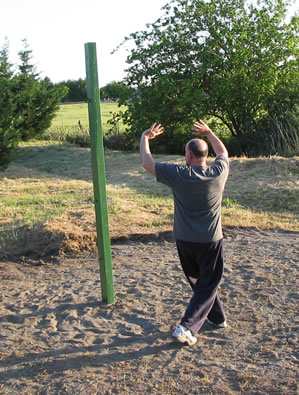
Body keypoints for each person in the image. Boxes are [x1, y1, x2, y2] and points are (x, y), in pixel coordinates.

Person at [140, 120, 229, 346]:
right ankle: (187, 327)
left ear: (188, 156)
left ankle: (217, 318)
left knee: (203, 283)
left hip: (184, 241)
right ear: (204, 155)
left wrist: (145, 137)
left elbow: (147, 163)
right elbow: (223, 152)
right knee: (207, 283)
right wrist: (208, 132)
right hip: (210, 241)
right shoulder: (218, 172)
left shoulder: (178, 174)